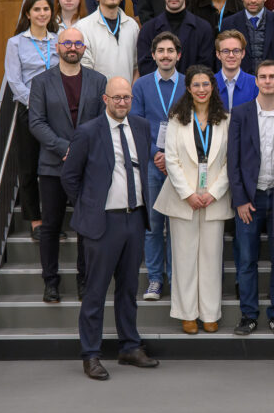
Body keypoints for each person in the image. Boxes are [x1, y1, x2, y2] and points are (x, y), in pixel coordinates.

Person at [61, 76, 158, 380]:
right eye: (116, 97)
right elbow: (69, 176)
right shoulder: (88, 132)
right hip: (103, 223)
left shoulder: (141, 126)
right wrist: (89, 206)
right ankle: (91, 354)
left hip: (135, 219)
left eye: (126, 97)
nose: (122, 102)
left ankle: (129, 346)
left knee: (128, 289)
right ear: (105, 99)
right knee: (95, 291)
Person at [154, 65, 233, 335]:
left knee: (211, 258)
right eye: (196, 85)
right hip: (182, 197)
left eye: (206, 84)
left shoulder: (225, 120)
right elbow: (171, 160)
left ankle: (210, 313)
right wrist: (188, 193)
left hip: (214, 198)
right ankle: (187, 313)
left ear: (213, 87)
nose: (201, 90)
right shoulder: (176, 119)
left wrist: (213, 192)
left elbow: (229, 162)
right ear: (188, 88)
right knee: (184, 258)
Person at [29, 27, 106, 303]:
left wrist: (81, 152)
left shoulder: (99, 81)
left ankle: (84, 280)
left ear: (84, 48)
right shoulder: (41, 82)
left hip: (87, 167)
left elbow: (103, 121)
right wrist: (65, 148)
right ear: (57, 47)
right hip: (52, 166)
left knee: (86, 226)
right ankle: (50, 282)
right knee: (50, 226)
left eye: (77, 43)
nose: (72, 47)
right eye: (67, 43)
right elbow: (36, 122)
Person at [228, 61, 274, 336]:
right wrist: (240, 199)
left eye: (272, 76)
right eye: (263, 77)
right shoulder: (240, 113)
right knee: (247, 259)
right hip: (250, 198)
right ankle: (248, 315)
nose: (268, 81)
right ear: (256, 81)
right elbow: (233, 159)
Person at [130, 32, 188, 301]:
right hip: (152, 164)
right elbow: (136, 124)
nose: (166, 55)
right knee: (153, 225)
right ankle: (155, 278)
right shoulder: (141, 85)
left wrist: (172, 155)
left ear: (178, 55)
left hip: (182, 164)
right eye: (161, 51)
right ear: (153, 55)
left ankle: (176, 278)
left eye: (170, 51)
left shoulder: (188, 84)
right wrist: (156, 153)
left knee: (177, 224)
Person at [6, 0, 60, 241]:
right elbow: (14, 81)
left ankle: (53, 220)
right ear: (28, 13)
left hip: (57, 111)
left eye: (46, 9)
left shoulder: (58, 40)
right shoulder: (16, 43)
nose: (42, 14)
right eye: (36, 9)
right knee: (29, 167)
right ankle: (36, 221)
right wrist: (37, 103)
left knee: (55, 167)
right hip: (29, 110)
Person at [136, 0, 213, 77]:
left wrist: (183, 83)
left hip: (191, 86)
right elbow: (145, 67)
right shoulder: (148, 29)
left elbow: (205, 66)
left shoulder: (203, 28)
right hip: (158, 86)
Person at [77, 0, 140, 82]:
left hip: (127, 92)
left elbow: (137, 66)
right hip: (97, 92)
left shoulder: (132, 26)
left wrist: (131, 90)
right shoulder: (83, 27)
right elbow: (85, 69)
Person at [214, 30, 257, 112]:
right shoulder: (209, 83)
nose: (231, 55)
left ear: (243, 53)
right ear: (218, 54)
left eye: (236, 51)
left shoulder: (256, 84)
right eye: (226, 51)